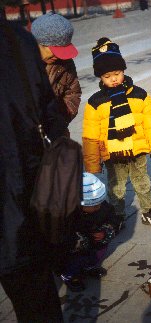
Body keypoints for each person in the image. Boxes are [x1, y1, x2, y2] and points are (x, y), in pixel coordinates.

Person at [0, 19, 66, 322]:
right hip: (27, 204)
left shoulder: (20, 41)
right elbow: (51, 118)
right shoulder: (21, 40)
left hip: (22, 207)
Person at [82, 37, 151, 230]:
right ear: (100, 78)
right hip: (113, 153)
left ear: (123, 71)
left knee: (143, 182)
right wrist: (92, 163)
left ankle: (149, 210)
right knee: (117, 187)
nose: (113, 79)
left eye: (117, 73)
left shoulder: (139, 95)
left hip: (137, 149)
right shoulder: (95, 102)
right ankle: (117, 215)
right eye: (107, 76)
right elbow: (90, 134)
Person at [61, 173, 120, 292]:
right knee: (75, 260)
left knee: (97, 255)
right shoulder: (68, 213)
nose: (98, 207)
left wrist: (106, 230)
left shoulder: (103, 207)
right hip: (77, 246)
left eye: (99, 203)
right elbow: (62, 233)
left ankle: (89, 267)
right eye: (94, 206)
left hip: (97, 240)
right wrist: (77, 239)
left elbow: (113, 219)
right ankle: (69, 275)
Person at [31, 12, 82, 133]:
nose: (59, 56)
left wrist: (61, 120)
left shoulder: (65, 63)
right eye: (55, 50)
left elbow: (72, 93)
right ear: (38, 43)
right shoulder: (20, 64)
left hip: (57, 131)